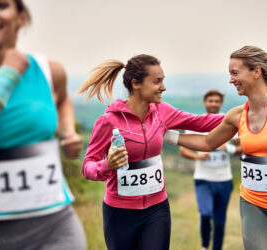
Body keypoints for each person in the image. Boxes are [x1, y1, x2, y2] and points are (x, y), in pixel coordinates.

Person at [165, 45, 267, 250]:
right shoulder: (236, 115)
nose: (231, 80)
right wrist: (166, 134)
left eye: (235, 73)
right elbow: (207, 143)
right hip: (252, 202)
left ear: (256, 72)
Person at [77, 54, 224, 250]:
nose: (163, 87)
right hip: (120, 212)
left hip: (157, 209)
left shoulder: (162, 111)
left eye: (163, 81)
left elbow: (201, 122)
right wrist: (107, 165)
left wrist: (246, 112)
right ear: (136, 84)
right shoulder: (109, 121)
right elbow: (87, 167)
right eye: (157, 81)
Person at [0, 0, 86, 249]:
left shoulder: (48, 70)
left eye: (0, 5)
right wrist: (7, 74)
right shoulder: (13, 70)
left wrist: (68, 132)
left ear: (21, 18)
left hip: (54, 227)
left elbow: (62, 100)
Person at [179, 89, 241, 250]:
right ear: (205, 103)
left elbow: (241, 146)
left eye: (217, 101)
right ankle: (205, 246)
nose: (213, 104)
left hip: (224, 180)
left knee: (220, 222)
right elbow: (183, 150)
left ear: (221, 104)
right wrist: (197, 157)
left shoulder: (228, 123)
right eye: (210, 101)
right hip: (203, 179)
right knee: (205, 214)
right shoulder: (196, 123)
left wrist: (228, 149)